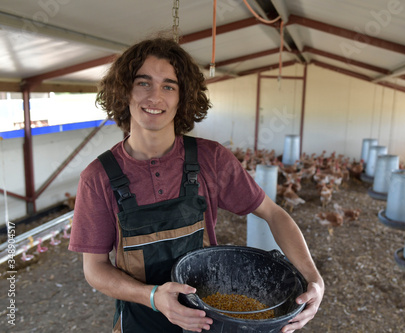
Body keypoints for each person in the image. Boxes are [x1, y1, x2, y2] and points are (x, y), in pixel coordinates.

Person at [68, 32, 324, 333]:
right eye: (143, 82)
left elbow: (273, 213)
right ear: (124, 91)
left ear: (182, 97)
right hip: (140, 321)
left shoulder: (211, 159)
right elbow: (95, 268)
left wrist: (313, 279)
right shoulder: (98, 177)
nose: (155, 96)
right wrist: (151, 296)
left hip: (209, 322)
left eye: (169, 86)